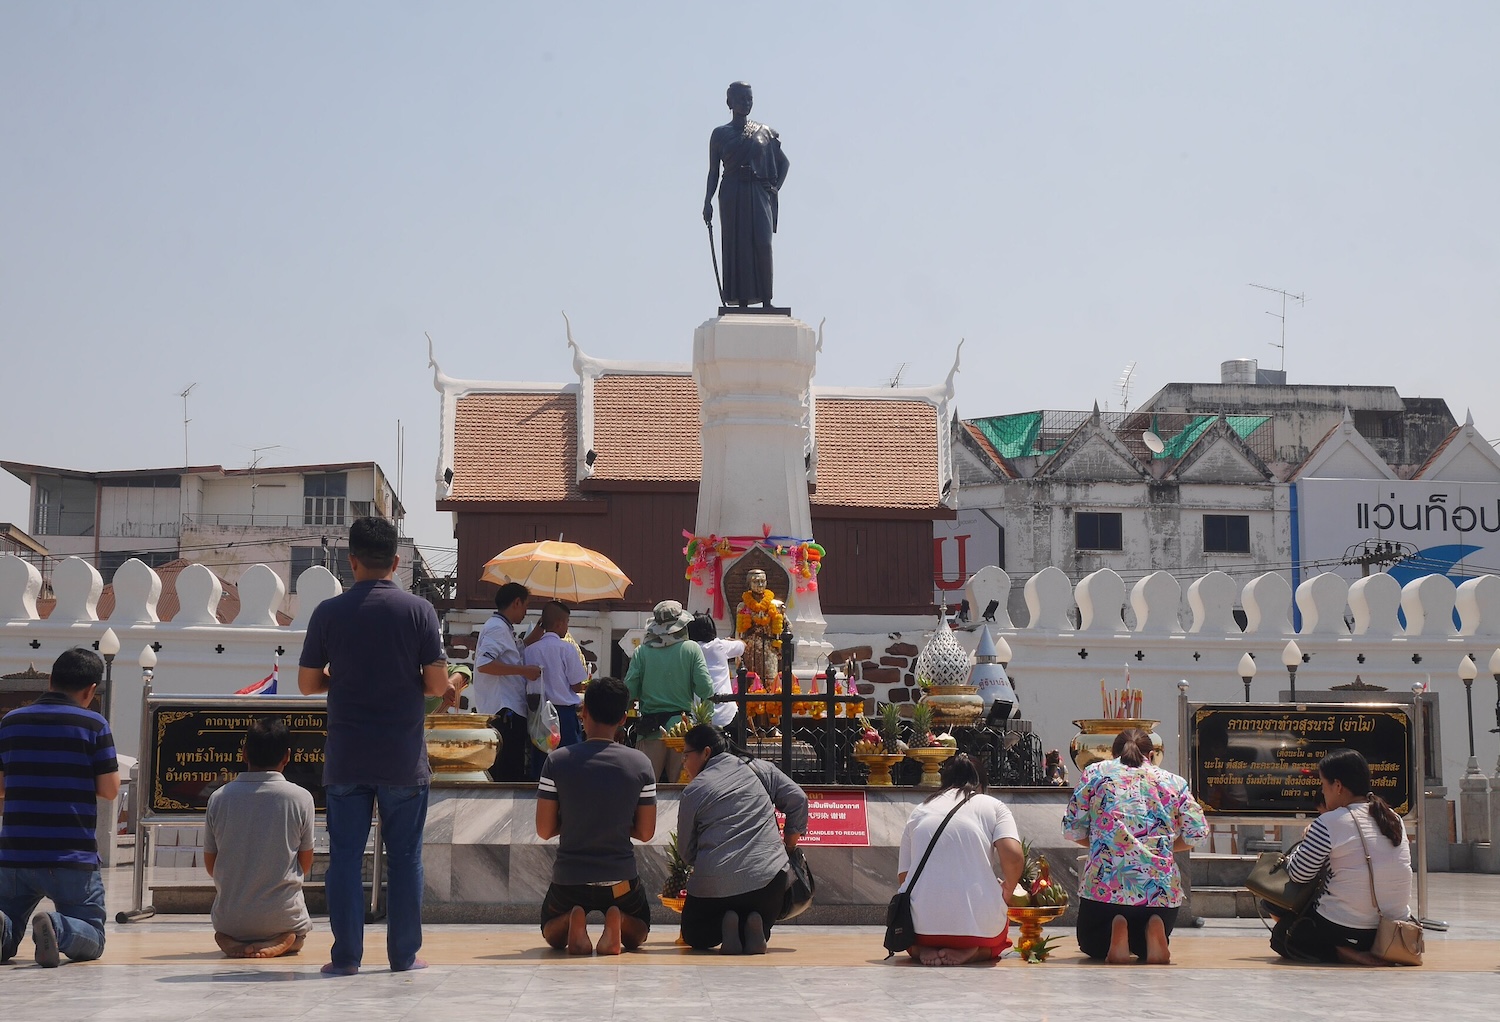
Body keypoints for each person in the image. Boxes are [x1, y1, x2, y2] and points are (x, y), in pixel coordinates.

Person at [297, 516, 454, 976]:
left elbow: (307, 683)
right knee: (405, 858)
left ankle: (345, 957)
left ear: (352, 562)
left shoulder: (329, 612)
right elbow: (435, 685)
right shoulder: (419, 611)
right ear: (397, 562)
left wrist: (340, 677)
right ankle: (403, 955)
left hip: (347, 756)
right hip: (403, 757)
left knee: (344, 857)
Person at [0, 647, 119, 967]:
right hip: (70, 856)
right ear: (91, 690)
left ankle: (2, 927)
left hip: (14, 853)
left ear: (50, 679)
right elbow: (109, 790)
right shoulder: (94, 725)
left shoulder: (10, 722)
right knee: (93, 936)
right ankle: (58, 927)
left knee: (7, 933)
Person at [1062, 727, 1207, 965]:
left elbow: (1071, 829)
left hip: (1105, 890)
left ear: (1113, 754)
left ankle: (1115, 931)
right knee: (1142, 944)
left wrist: (1106, 843)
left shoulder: (1095, 774)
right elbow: (1198, 833)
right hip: (1159, 893)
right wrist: (1166, 848)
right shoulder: (1174, 782)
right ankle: (1152, 928)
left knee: (1091, 944)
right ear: (1150, 755)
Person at [535, 676, 657, 955]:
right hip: (620, 883)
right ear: (623, 719)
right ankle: (619, 919)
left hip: (570, 880)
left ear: (584, 712)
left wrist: (579, 820)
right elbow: (646, 832)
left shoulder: (557, 761)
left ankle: (571, 920)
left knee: (551, 931)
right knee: (639, 931)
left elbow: (544, 829)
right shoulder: (641, 764)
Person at [1271, 748, 1413, 965]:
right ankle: (1364, 950)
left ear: (1337, 786)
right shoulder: (1394, 818)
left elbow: (1299, 874)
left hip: (1348, 928)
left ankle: (1346, 953)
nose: (1322, 791)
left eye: (1323, 785)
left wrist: (1304, 845)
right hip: (1394, 928)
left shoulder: (1330, 822)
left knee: (1283, 933)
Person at [676, 724, 807, 954]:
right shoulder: (759, 769)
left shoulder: (694, 790)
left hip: (714, 888)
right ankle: (756, 928)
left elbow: (686, 853)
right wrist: (789, 846)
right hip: (768, 882)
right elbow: (798, 798)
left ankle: (727, 925)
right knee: (759, 908)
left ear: (706, 752)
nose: (684, 763)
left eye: (686, 755)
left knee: (694, 932)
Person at [895, 753, 1023, 966]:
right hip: (977, 931)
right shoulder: (993, 806)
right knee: (999, 942)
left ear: (944, 781)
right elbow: (1014, 856)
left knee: (907, 938)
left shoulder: (920, 810)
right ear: (980, 784)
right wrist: (1008, 889)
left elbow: (904, 877)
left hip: (920, 930)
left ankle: (918, 949)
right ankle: (976, 952)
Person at [204, 716, 315, 959]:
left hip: (231, 921)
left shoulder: (219, 798)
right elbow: (305, 866)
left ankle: (231, 941)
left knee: (224, 932)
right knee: (298, 935)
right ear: (287, 756)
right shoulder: (301, 798)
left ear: (244, 753)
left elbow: (211, 866)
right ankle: (285, 940)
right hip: (283, 917)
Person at [702, 81, 790, 308]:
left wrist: (775, 188)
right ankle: (741, 302)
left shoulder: (765, 132)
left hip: (758, 191)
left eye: (749, 98)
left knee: (762, 242)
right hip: (732, 192)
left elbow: (784, 163)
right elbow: (713, 172)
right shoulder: (719, 134)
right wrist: (707, 201)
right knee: (737, 245)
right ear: (729, 102)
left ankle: (767, 301)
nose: (746, 102)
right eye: (741, 98)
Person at [624, 600, 714, 783]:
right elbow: (706, 689)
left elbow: (629, 690)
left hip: (649, 730)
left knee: (645, 790)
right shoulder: (691, 649)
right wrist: (707, 720)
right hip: (681, 733)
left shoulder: (641, 652)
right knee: (681, 791)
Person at [471, 582, 542, 781]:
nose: (526, 613)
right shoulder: (497, 628)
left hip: (507, 710)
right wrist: (524, 670)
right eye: (526, 606)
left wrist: (531, 639)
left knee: (510, 769)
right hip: (505, 711)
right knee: (508, 773)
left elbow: (509, 654)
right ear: (517, 602)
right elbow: (484, 664)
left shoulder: (502, 627)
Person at [524, 601, 588, 776]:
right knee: (568, 764)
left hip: (538, 714)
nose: (567, 627)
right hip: (563, 714)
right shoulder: (566, 649)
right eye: (567, 622)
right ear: (559, 623)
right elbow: (576, 684)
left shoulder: (529, 650)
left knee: (541, 764)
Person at [686, 612, 746, 746]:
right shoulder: (719, 645)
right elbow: (742, 646)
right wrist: (732, 640)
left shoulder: (688, 650)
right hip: (726, 713)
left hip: (699, 715)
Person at [735, 569, 784, 686]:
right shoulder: (743, 606)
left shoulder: (775, 605)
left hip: (769, 648)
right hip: (750, 649)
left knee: (770, 680)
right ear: (749, 584)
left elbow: (785, 628)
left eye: (763, 581)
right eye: (756, 582)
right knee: (750, 681)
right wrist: (737, 653)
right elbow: (739, 631)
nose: (760, 585)